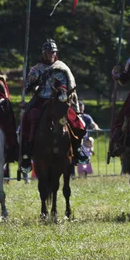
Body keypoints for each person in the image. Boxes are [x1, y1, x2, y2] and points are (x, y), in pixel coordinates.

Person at [20, 39, 88, 172]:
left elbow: (69, 86)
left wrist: (62, 90)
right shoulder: (36, 69)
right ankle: (26, 155)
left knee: (76, 121)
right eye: (48, 52)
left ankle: (78, 149)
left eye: (53, 52)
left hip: (58, 100)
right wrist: (31, 83)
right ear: (44, 53)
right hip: (41, 99)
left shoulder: (62, 68)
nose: (50, 54)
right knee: (27, 119)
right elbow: (28, 89)